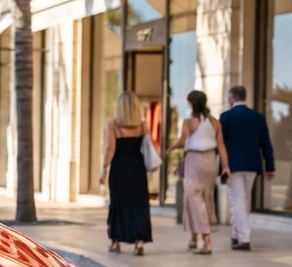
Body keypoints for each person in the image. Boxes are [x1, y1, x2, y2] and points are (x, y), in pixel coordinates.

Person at [168, 90, 231, 255]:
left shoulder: (189, 122)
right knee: (203, 198)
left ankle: (207, 240)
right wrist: (226, 166)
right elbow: (221, 146)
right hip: (210, 160)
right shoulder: (214, 122)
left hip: (194, 161)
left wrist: (171, 148)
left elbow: (183, 141)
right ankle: (193, 237)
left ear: (192, 103)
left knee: (195, 199)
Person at [219, 85, 275, 251]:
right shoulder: (257, 117)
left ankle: (244, 238)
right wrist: (270, 166)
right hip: (252, 164)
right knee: (243, 200)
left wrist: (222, 166)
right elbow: (266, 143)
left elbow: (220, 144)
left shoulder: (226, 117)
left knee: (237, 201)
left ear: (231, 98)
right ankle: (236, 234)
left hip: (232, 165)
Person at [99, 91, 153, 255]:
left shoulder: (113, 125)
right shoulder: (142, 126)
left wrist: (104, 169)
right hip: (137, 167)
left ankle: (115, 241)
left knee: (118, 203)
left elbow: (111, 149)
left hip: (119, 168)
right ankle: (139, 242)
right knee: (139, 204)